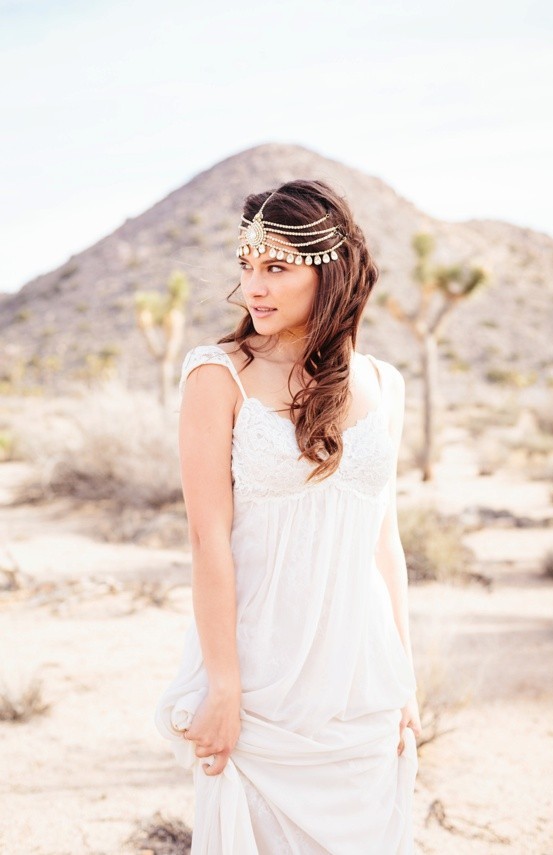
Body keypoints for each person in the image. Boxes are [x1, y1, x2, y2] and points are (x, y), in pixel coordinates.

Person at [155, 178, 422, 854]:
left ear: (331, 271)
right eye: (247, 265)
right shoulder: (218, 375)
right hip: (260, 678)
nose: (255, 287)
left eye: (277, 267)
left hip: (360, 676)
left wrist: (405, 677)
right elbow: (207, 539)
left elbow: (384, 543)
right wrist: (224, 684)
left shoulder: (385, 385)